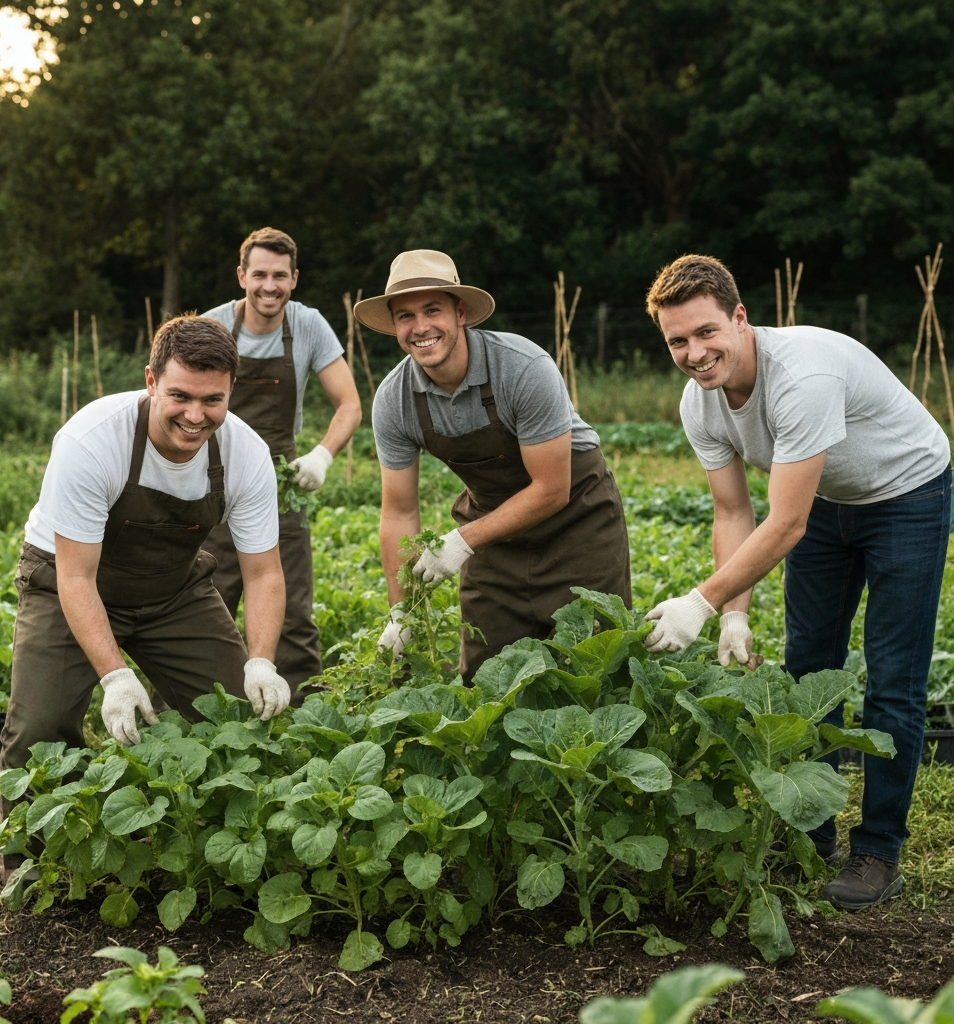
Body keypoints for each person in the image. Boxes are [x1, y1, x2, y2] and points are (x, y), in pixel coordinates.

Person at [643, 253, 951, 910]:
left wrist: (701, 600)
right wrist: (733, 615)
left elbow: (784, 523)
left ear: (740, 317)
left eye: (706, 333)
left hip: (907, 493)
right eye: (678, 341)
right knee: (811, 672)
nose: (695, 353)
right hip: (823, 502)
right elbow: (733, 510)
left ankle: (878, 851)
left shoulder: (800, 376)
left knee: (893, 676)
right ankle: (812, 836)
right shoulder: (701, 405)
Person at [0, 314, 291, 795]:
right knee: (39, 731)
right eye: (180, 396)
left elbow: (263, 574)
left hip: (172, 592)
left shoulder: (247, 454)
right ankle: (33, 865)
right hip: (66, 585)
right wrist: (115, 677)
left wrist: (261, 661)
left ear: (231, 391)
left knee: (232, 716)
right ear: (152, 381)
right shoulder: (91, 442)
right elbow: (76, 578)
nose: (196, 416)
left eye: (212, 400)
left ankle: (198, 849)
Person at [357, 249, 631, 682]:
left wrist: (463, 541)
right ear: (394, 325)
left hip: (578, 524)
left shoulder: (522, 368)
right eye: (405, 316)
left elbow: (551, 488)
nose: (420, 327)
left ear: (460, 312)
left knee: (594, 672)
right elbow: (399, 513)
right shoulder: (394, 401)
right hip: (493, 538)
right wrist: (402, 612)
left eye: (433, 310)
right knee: (489, 679)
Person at [201, 227, 361, 694]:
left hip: (280, 484)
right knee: (206, 598)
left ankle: (303, 716)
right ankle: (188, 711)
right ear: (241, 277)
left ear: (294, 279)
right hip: (211, 482)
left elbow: (349, 404)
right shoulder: (213, 328)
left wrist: (322, 456)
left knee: (291, 605)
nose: (269, 286)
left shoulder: (308, 325)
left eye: (279, 276)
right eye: (259, 275)